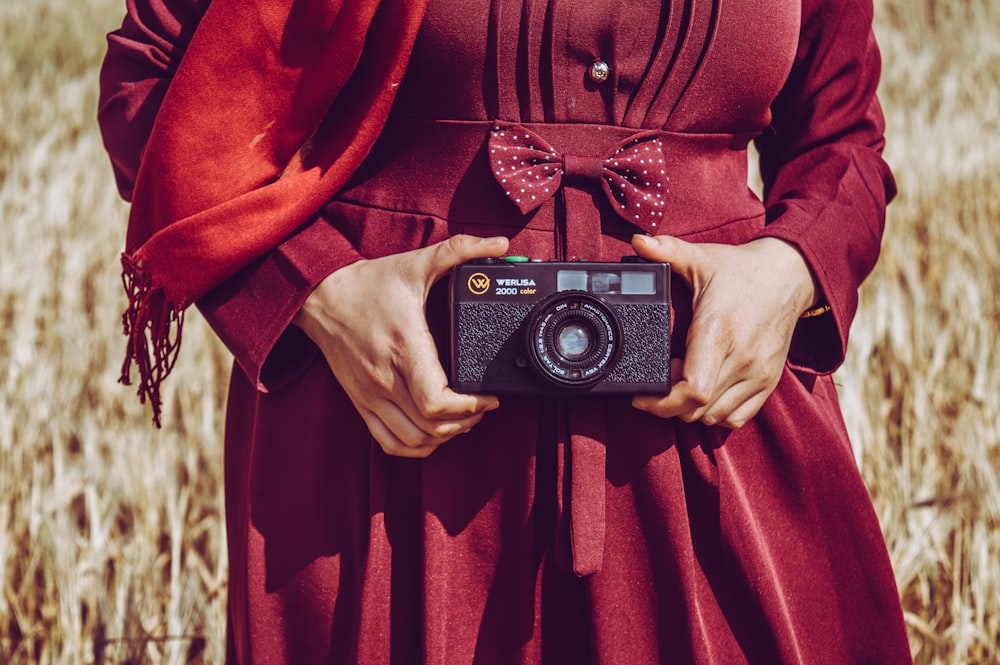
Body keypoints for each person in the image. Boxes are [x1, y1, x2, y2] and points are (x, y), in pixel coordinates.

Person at [99, 0, 913, 662]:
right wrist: (315, 290)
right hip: (389, 456)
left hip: (715, 438)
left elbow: (841, 138)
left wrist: (789, 269)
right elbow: (154, 83)